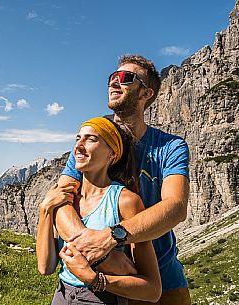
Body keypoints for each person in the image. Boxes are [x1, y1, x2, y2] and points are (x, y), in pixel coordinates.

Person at [54, 55, 191, 305]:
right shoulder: (92, 141)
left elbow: (176, 208)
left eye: (126, 78)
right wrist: (99, 256)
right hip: (99, 286)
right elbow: (60, 201)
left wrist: (111, 237)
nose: (114, 83)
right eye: (112, 77)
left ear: (146, 93)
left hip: (163, 284)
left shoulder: (170, 147)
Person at [36, 117, 162, 304]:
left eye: (91, 139)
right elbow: (45, 267)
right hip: (62, 295)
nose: (79, 145)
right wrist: (45, 209)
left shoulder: (125, 201)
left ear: (112, 153)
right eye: (78, 138)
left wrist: (96, 279)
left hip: (102, 297)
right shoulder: (64, 200)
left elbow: (152, 290)